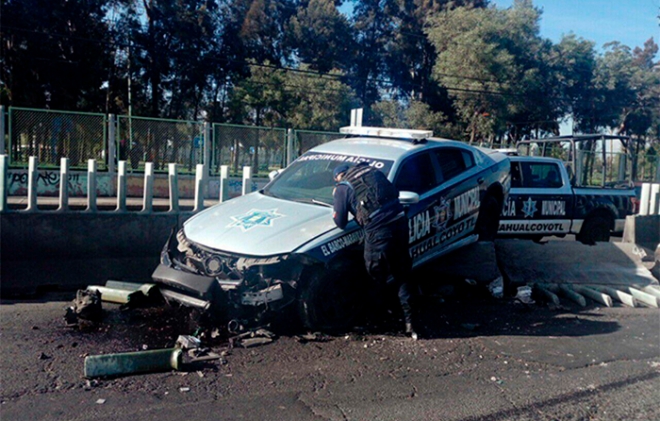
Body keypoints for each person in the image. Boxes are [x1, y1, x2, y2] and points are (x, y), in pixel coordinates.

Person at [332, 163, 419, 339]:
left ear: (338, 177)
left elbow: (340, 221)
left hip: (378, 232)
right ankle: (411, 323)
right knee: (402, 272)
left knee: (374, 277)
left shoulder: (343, 187)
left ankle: (375, 323)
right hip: (400, 223)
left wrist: (337, 198)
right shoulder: (373, 173)